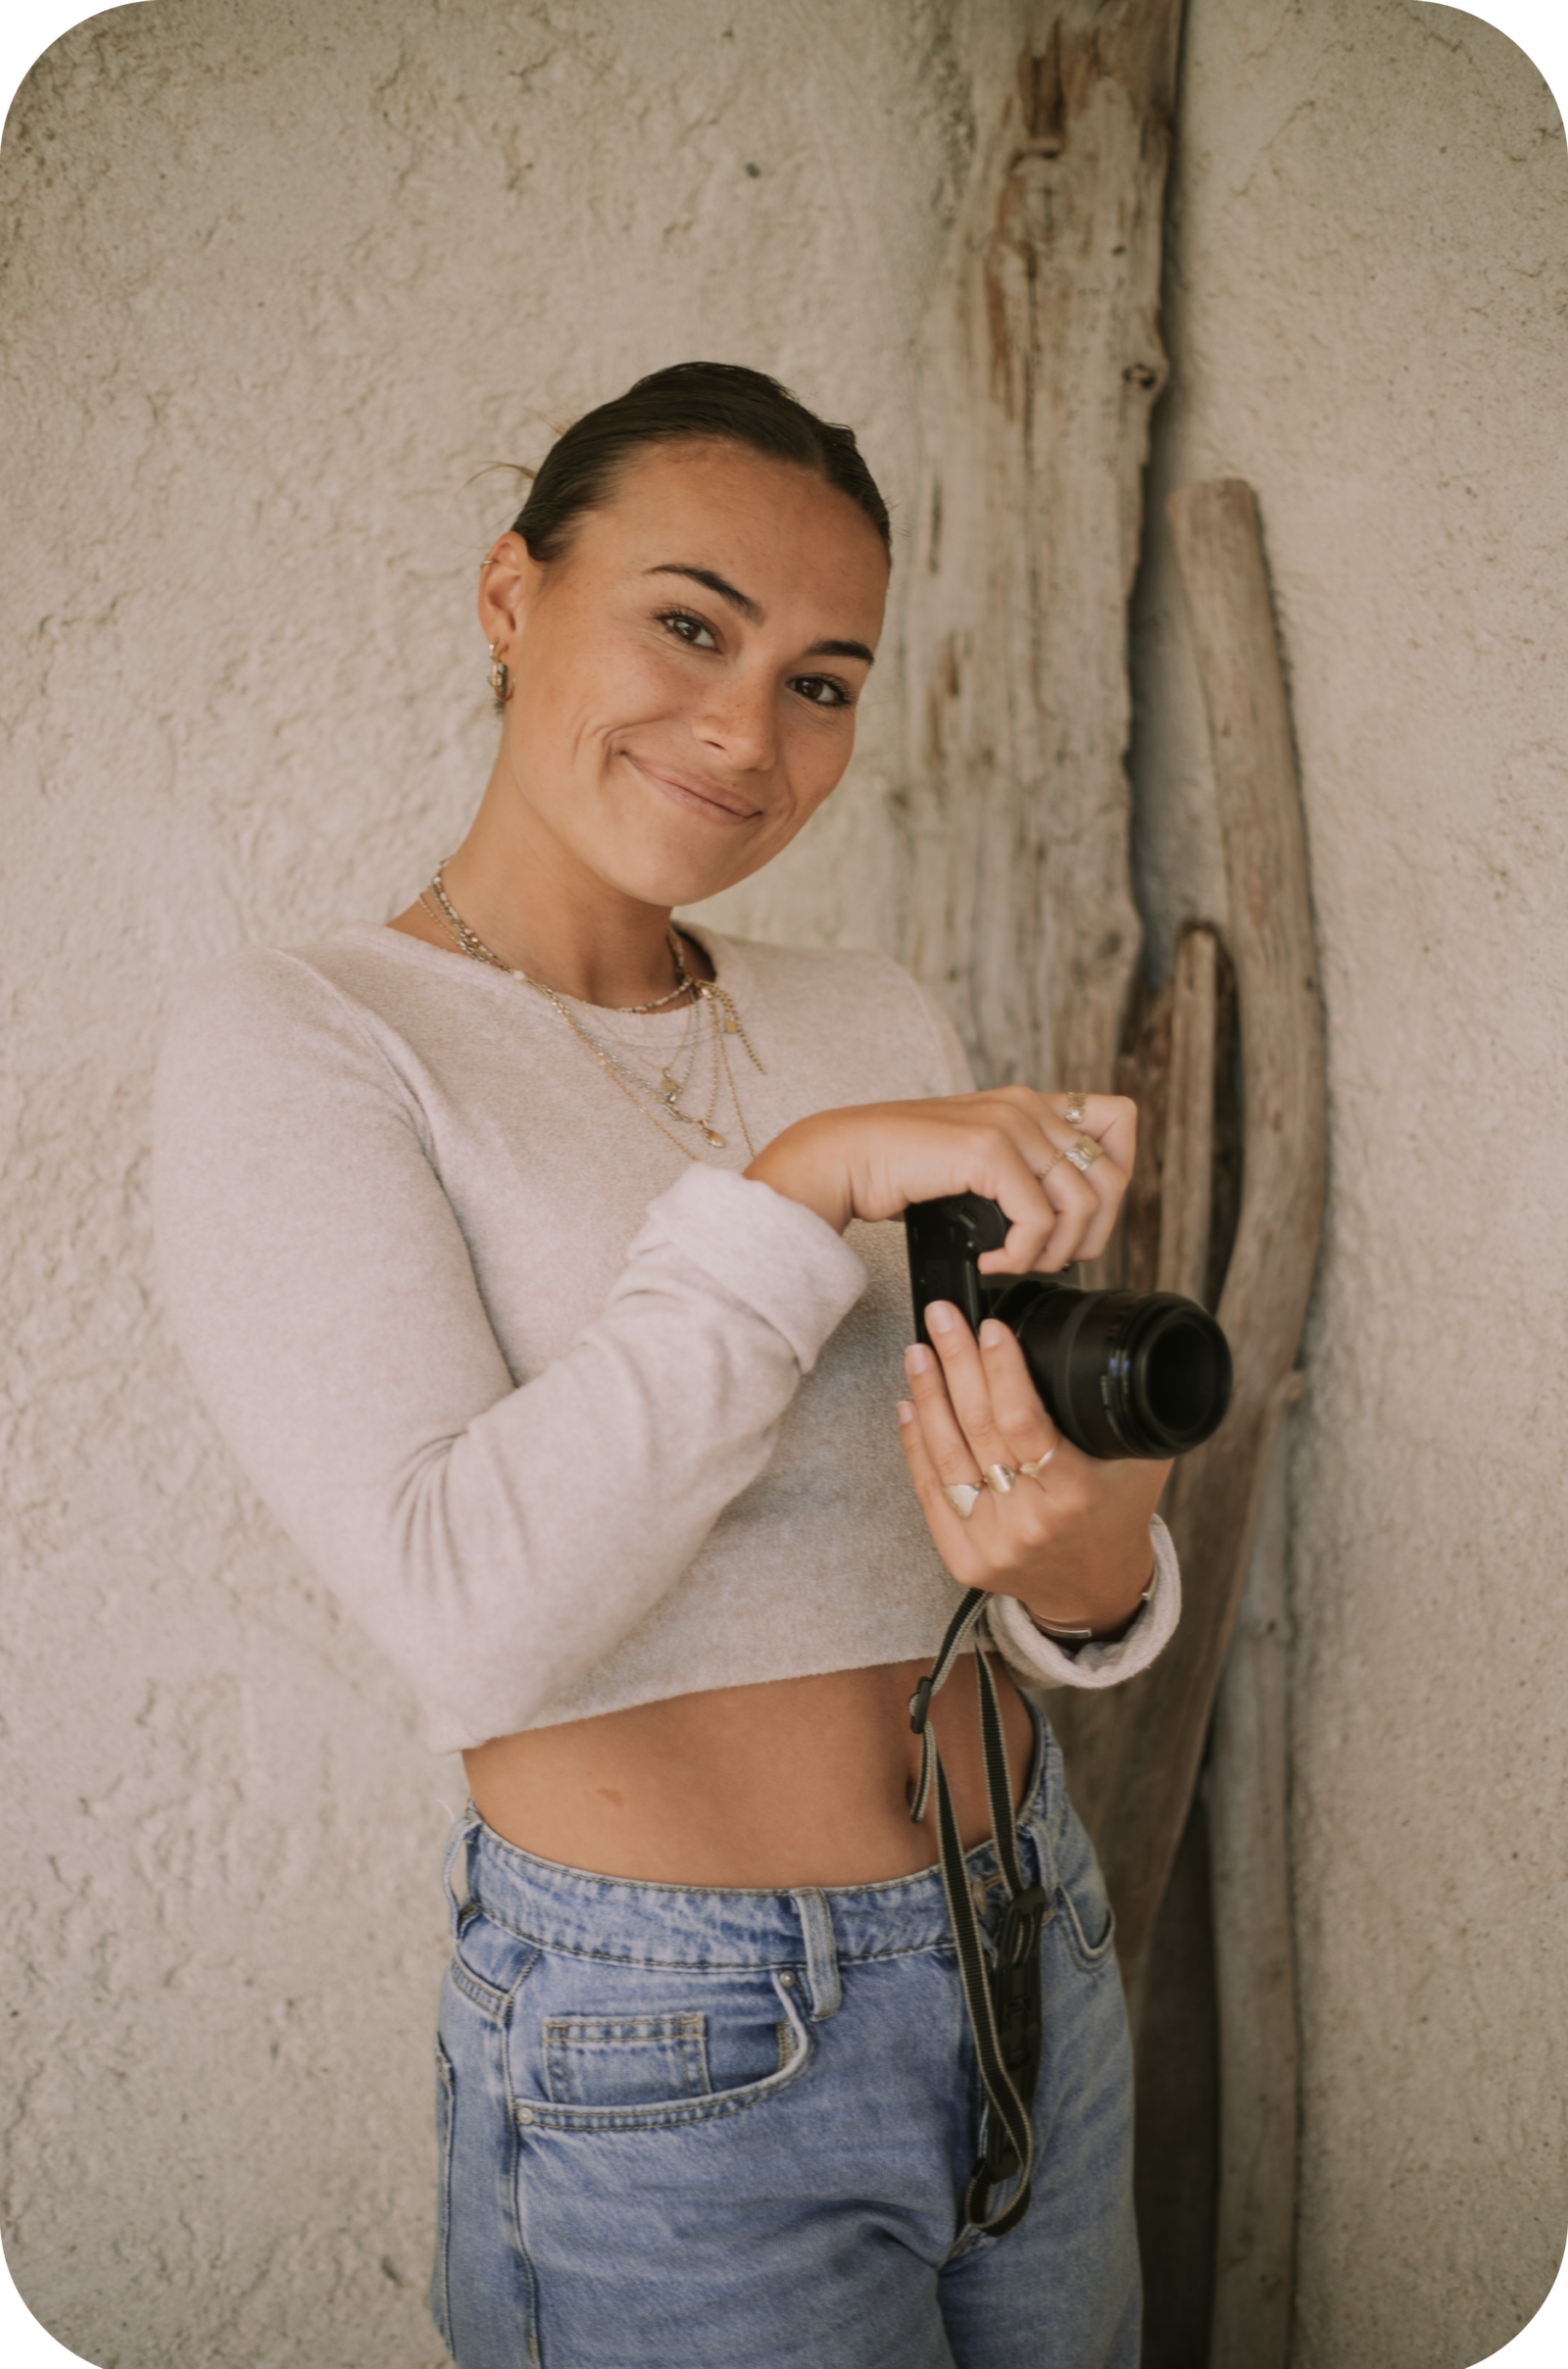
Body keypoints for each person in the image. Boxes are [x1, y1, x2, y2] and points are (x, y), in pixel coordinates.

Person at [153, 362, 1179, 2369]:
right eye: (690, 623)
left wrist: (1085, 1569)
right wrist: (794, 1187)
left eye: (821, 676)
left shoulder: (865, 1004)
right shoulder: (309, 1037)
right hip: (672, 2035)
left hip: (1023, 1935)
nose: (747, 726)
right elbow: (475, 1618)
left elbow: (1008, 1518)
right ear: (509, 594)